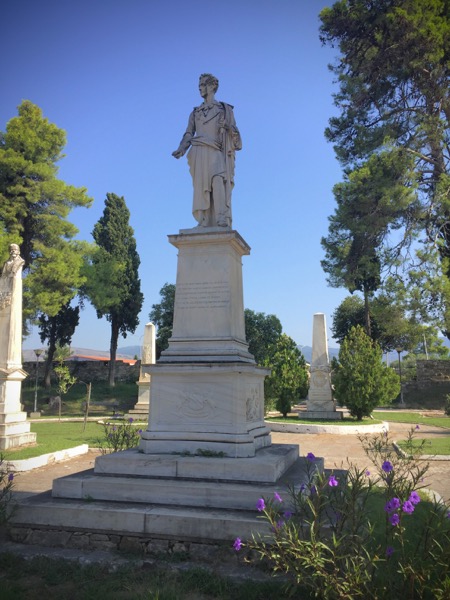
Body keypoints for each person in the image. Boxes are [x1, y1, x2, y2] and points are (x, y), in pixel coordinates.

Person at [172, 74, 242, 228]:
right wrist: (181, 149)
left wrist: (228, 127)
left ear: (212, 86)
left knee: (218, 181)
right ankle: (203, 220)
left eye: (203, 84)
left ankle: (221, 218)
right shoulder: (195, 113)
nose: (200, 88)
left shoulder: (224, 110)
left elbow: (237, 141)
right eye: (199, 85)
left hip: (216, 151)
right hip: (198, 151)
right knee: (201, 188)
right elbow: (189, 134)